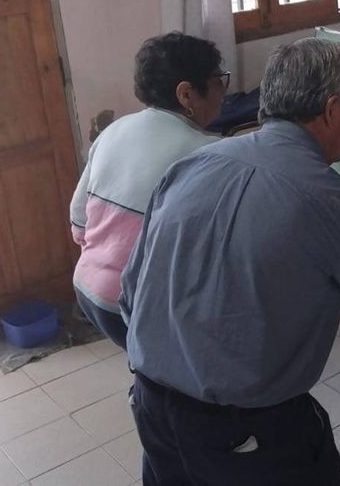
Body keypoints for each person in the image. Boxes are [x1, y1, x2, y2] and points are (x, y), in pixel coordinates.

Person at [121, 37, 340, 485]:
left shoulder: (195, 163)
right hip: (242, 430)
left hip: (151, 406)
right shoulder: (326, 198)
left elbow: (131, 293)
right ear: (331, 110)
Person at [69, 32, 228, 349]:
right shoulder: (209, 152)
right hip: (133, 304)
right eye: (217, 80)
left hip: (87, 289)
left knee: (150, 363)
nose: (223, 92)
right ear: (186, 94)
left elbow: (78, 221)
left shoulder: (114, 130)